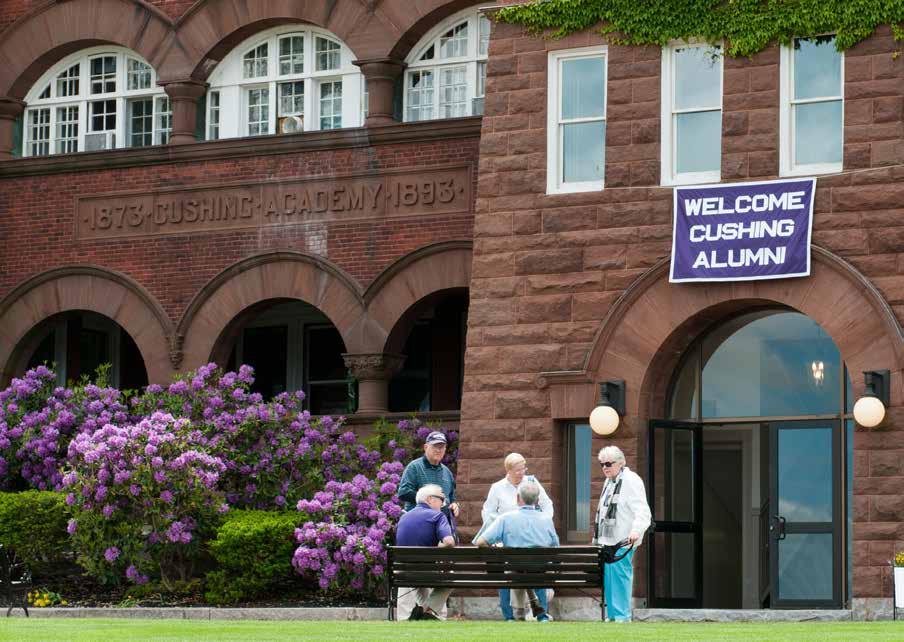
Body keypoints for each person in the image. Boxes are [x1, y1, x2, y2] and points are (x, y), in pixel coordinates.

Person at [479, 453, 553, 621]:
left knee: (533, 571)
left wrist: (542, 522)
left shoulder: (531, 483)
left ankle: (536, 614)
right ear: (508, 470)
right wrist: (496, 534)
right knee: (512, 575)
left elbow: (547, 504)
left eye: (523, 469)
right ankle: (513, 615)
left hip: (528, 541)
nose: (522, 473)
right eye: (518, 470)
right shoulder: (497, 488)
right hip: (506, 540)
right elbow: (488, 512)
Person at [593, 445, 651, 623]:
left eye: (608, 464)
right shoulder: (609, 481)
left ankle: (622, 616)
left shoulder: (631, 480)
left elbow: (642, 510)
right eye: (602, 464)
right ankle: (612, 616)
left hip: (624, 538)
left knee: (620, 576)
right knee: (609, 579)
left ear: (620, 463)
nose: (605, 467)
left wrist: (636, 530)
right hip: (607, 540)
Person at [395, 483, 456, 621]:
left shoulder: (404, 517)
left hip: (402, 572)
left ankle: (422, 612)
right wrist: (438, 545)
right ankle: (429, 611)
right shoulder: (437, 516)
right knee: (451, 577)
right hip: (427, 572)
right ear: (429, 499)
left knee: (419, 582)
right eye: (441, 499)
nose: (443, 504)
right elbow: (449, 542)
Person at [398, 431, 458, 525]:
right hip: (417, 523)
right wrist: (429, 500)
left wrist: (454, 505)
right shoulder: (414, 467)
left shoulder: (447, 472)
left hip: (441, 526)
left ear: (445, 449)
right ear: (425, 447)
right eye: (435, 446)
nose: (438, 450)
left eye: (441, 447)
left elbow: (451, 498)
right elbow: (403, 492)